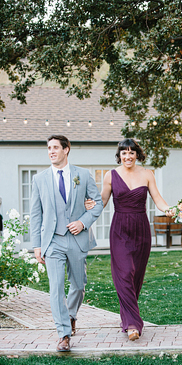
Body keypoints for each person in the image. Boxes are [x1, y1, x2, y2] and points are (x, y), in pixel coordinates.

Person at [95, 138, 174, 341]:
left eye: (131, 152)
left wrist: (173, 210)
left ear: (137, 154)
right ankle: (133, 324)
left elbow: (158, 199)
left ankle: (127, 318)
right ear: (119, 155)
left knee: (136, 276)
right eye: (123, 153)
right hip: (120, 229)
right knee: (124, 272)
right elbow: (102, 201)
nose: (127, 156)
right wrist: (87, 209)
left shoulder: (147, 174)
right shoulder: (110, 175)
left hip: (141, 229)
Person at [30, 135, 103, 352]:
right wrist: (37, 244)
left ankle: (71, 315)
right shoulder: (39, 179)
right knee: (56, 288)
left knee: (79, 285)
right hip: (52, 240)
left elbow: (97, 203)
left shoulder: (83, 174)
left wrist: (83, 222)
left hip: (77, 239)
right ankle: (63, 334)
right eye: (48, 148)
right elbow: (36, 213)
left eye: (55, 148)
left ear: (66, 149)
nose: (51, 151)